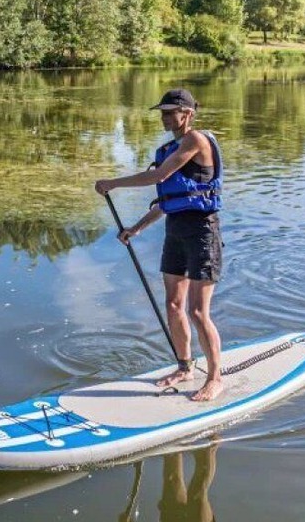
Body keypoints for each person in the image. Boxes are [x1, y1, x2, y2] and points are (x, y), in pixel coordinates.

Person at [95, 88, 225, 401]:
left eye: (170, 112)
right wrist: (135, 228)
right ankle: (185, 367)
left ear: (188, 114)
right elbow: (167, 200)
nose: (164, 117)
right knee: (173, 304)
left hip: (201, 232)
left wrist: (113, 183)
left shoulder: (196, 141)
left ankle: (216, 377)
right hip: (176, 231)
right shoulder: (167, 148)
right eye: (162, 112)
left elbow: (160, 177)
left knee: (197, 310)